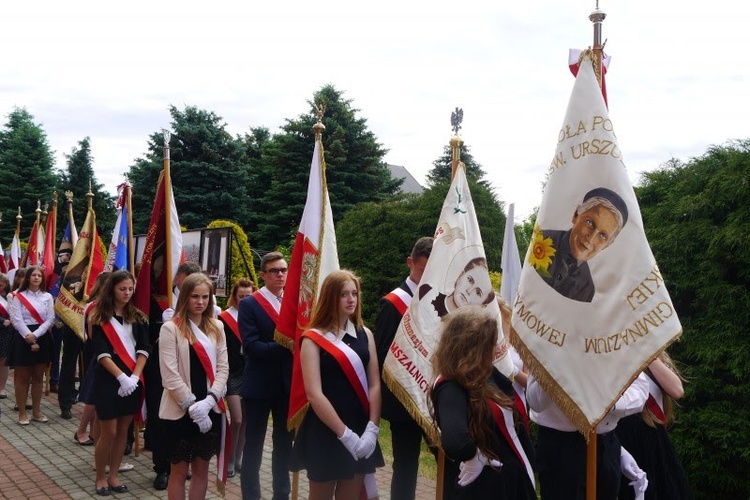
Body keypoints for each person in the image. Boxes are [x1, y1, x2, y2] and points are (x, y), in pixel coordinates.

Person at [290, 269, 385, 499]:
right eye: (344, 294)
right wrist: (345, 435)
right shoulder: (312, 339)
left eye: (354, 293)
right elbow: (314, 394)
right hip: (326, 429)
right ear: (330, 296)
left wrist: (372, 428)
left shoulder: (366, 335)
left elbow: (374, 384)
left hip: (361, 427)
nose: (351, 299)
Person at [430, 306, 536, 499]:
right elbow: (456, 442)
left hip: (510, 482)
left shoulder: (487, 373)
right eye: (490, 343)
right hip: (486, 487)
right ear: (472, 347)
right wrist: (475, 457)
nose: (497, 348)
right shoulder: (450, 386)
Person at [159, 272, 229, 500]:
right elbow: (170, 375)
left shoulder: (217, 327)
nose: (200, 302)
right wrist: (192, 407)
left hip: (210, 409)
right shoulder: (171, 328)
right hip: (180, 411)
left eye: (205, 297)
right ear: (185, 297)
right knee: (178, 471)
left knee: (201, 470)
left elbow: (223, 369)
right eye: (195, 297)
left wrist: (209, 403)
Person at [527, 369, 649, 500]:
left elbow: (640, 390)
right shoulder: (548, 349)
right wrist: (558, 364)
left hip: (605, 442)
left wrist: (609, 404)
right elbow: (536, 402)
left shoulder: (621, 348)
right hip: (560, 446)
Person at [375, 236, 434, 500]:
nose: (427, 276)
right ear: (411, 263)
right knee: (406, 467)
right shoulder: (392, 303)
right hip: (404, 401)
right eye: (423, 269)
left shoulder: (439, 300)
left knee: (447, 460)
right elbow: (383, 354)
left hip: (434, 397)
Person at [89, 270, 149, 495]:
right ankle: (100, 477)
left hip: (133, 379)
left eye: (130, 289)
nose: (126, 293)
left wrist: (133, 377)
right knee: (109, 431)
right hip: (108, 379)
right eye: (122, 288)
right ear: (112, 289)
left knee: (124, 429)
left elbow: (144, 349)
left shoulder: (139, 317)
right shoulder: (99, 318)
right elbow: (101, 353)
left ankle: (114, 475)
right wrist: (121, 377)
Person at [240, 251, 293, 500]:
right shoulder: (250, 303)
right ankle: (252, 496)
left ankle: (281, 494)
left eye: (283, 270)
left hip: (287, 387)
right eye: (274, 271)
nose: (280, 274)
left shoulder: (293, 302)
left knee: (284, 446)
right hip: (259, 387)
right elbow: (252, 347)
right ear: (263, 275)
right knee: (254, 447)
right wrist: (287, 345)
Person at [145, 260, 202, 490]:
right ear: (178, 278)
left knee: (187, 419)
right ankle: (162, 468)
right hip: (162, 369)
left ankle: (183, 463)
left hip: (193, 371)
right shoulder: (160, 299)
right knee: (162, 420)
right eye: (189, 281)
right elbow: (144, 331)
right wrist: (164, 325)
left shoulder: (205, 301)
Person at [616, 352, 694, 499]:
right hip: (618, 439)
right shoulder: (602, 351)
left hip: (652, 442)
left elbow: (677, 391)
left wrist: (644, 348)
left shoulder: (652, 350)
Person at [536, 187, 629, 303]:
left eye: (603, 235)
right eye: (590, 222)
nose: (591, 238)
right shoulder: (538, 241)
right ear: (576, 216)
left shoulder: (586, 288)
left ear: (607, 245)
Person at [218, 277, 256, 478]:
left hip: (250, 372)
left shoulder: (256, 316)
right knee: (238, 419)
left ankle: (239, 457)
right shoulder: (224, 318)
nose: (244, 300)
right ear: (234, 296)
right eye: (241, 296)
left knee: (247, 419)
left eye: (248, 296)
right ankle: (229, 458)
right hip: (231, 373)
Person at [9, 266, 55, 426]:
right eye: (33, 275)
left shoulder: (48, 297)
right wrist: (29, 336)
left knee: (37, 378)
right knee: (22, 378)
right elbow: (16, 319)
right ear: (28, 278)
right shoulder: (18, 296)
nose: (36, 277)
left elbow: (50, 319)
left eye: (39, 275)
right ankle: (22, 412)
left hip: (41, 335)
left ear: (42, 279)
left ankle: (36, 411)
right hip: (23, 337)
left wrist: (36, 336)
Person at [75, 271, 111, 447]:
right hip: (97, 353)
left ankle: (91, 432)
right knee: (93, 397)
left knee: (96, 397)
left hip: (97, 352)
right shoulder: (96, 306)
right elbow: (92, 333)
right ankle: (81, 430)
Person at [418, 257, 495, 318]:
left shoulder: (472, 336)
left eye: (478, 293)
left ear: (482, 306)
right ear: (460, 275)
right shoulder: (425, 294)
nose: (469, 291)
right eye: (470, 280)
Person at [0, 274, 12, 399]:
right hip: (1, 326)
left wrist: (9, 320)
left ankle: (2, 387)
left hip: (5, 333)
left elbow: (13, 311)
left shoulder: (9, 297)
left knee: (3, 361)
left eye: (1, 285)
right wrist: (2, 320)